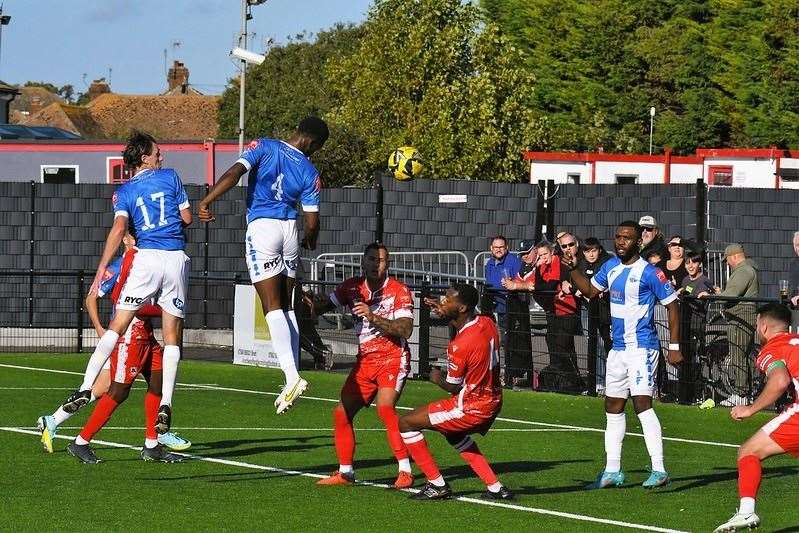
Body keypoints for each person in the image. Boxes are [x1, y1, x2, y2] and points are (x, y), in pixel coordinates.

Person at [61, 131, 191, 438]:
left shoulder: (124, 192)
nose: (162, 156)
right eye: (157, 152)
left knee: (116, 326)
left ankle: (83, 386)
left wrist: (101, 268)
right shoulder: (171, 177)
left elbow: (119, 229)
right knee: (172, 337)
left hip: (144, 258)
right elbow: (186, 218)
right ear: (145, 157)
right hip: (174, 257)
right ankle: (167, 404)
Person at [198, 117, 329, 414]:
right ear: (313, 142)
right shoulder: (310, 171)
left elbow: (234, 172)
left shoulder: (264, 146)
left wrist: (207, 200)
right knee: (286, 306)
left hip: (263, 228)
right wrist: (310, 240)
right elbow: (311, 220)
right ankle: (291, 376)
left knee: (271, 307)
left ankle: (293, 377)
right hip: (289, 231)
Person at [37, 233, 191, 454]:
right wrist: (102, 329)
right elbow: (94, 297)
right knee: (113, 390)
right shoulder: (125, 262)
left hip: (143, 333)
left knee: (151, 382)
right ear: (128, 239)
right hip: (127, 334)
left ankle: (153, 441)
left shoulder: (156, 260)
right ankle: (74, 436)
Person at [562, 220, 683, 489]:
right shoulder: (610, 267)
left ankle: (659, 469)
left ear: (639, 241)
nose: (620, 242)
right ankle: (613, 470)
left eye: (627, 238)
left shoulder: (650, 272)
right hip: (617, 350)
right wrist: (572, 269)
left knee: (642, 404)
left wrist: (674, 347)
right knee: (612, 407)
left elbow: (673, 306)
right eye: (617, 237)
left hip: (642, 348)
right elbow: (592, 291)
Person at [308, 243, 415, 489]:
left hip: (392, 357)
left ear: (388, 264)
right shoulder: (351, 287)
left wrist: (372, 315)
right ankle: (346, 472)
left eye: (381, 260)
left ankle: (405, 470)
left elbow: (406, 330)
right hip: (365, 361)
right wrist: (312, 301)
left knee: (385, 409)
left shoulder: (399, 290)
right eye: (371, 259)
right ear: (362, 262)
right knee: (341, 413)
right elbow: (325, 306)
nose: (376, 264)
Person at [398, 283, 513, 501]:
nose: (443, 301)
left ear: (462, 308)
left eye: (448, 300)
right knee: (453, 433)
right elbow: (461, 321)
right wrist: (444, 310)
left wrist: (435, 377)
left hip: (472, 405)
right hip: (493, 398)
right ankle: (496, 488)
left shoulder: (460, 345)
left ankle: (436, 484)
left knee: (406, 423)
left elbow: (453, 385)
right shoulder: (487, 322)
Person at [713, 303, 799, 532]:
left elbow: (779, 380)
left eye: (755, 324)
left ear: (762, 326)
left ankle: (746, 512)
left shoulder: (772, 349)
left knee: (748, 451)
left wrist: (751, 408)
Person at [710, 243, 760, 407]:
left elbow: (731, 295)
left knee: (738, 355)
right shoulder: (748, 269)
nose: (727, 263)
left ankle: (740, 394)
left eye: (727, 260)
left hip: (740, 318)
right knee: (743, 356)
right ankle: (747, 393)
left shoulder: (743, 271)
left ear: (734, 256)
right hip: (743, 317)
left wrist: (712, 297)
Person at [533, 240, 583, 392]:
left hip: (567, 310)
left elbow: (554, 283)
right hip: (552, 311)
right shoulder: (541, 267)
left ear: (552, 252)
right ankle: (563, 379)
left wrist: (552, 287)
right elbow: (539, 288)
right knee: (554, 343)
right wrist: (538, 270)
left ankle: (572, 380)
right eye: (540, 255)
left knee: (562, 345)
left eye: (545, 254)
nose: (543, 258)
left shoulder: (560, 264)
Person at [499, 239, 535, 388]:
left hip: (537, 311)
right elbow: (520, 280)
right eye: (522, 254)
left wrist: (514, 285)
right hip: (522, 311)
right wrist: (511, 282)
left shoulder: (536, 265)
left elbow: (533, 284)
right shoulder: (525, 266)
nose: (525, 256)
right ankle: (520, 375)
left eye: (527, 253)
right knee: (516, 341)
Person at [579, 237, 613, 394]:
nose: (591, 254)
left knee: (607, 346)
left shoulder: (608, 262)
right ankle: (597, 382)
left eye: (593, 250)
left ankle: (608, 382)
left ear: (599, 250)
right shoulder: (581, 263)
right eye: (587, 251)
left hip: (606, 311)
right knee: (593, 344)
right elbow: (575, 281)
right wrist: (574, 288)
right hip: (587, 309)